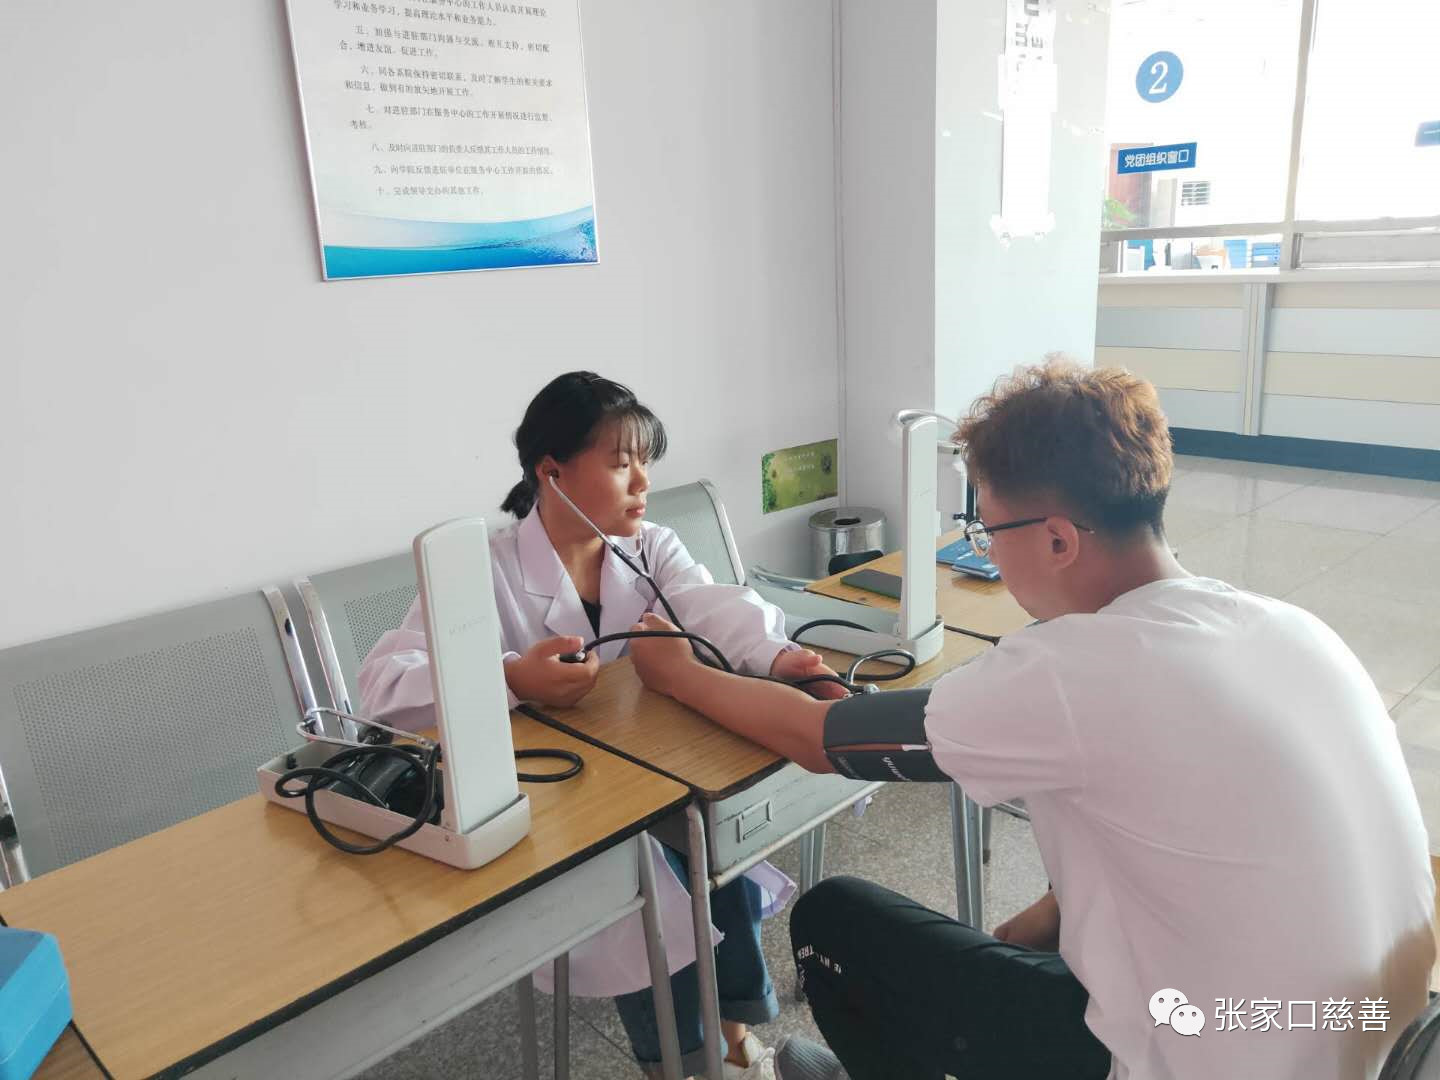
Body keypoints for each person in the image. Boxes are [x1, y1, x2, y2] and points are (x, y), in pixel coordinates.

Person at [623, 359, 1436, 1080]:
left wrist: (680, 674)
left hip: (1195, 1054)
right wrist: (1037, 924)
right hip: (1374, 1043)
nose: (983, 548)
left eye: (987, 528)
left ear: (1055, 541)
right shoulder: (1290, 627)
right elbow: (1181, 829)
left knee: (833, 921)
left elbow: (817, 740)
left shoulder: (1072, 670)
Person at [358, 371, 845, 1080]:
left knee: (716, 846)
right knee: (654, 885)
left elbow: (714, 607)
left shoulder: (649, 547)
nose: (643, 483)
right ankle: (689, 1063)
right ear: (550, 471)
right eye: (621, 464)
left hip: (657, 780)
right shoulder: (485, 571)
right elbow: (382, 685)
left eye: (645, 462)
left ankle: (735, 1045)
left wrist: (777, 655)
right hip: (560, 810)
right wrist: (510, 678)